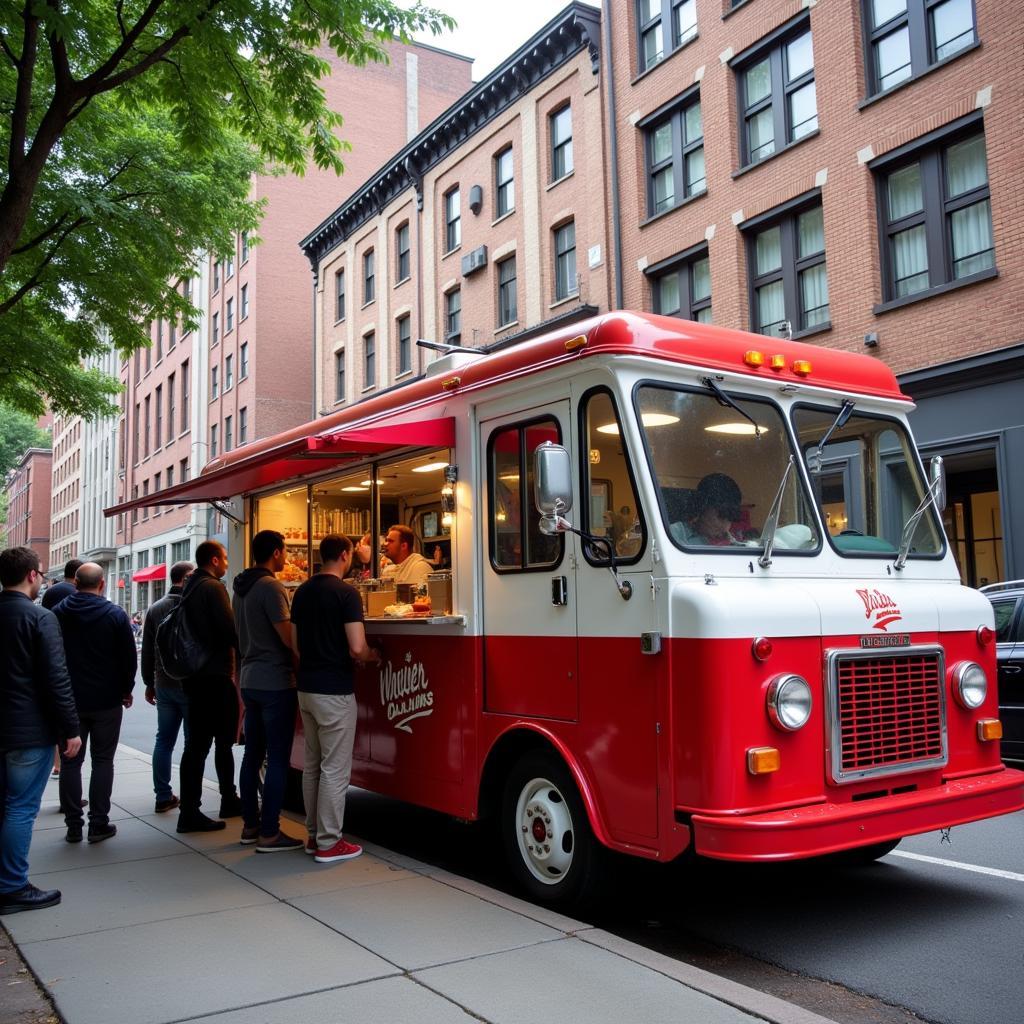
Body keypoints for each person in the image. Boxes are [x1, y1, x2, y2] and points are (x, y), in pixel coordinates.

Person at [0, 547, 81, 914]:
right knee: (20, 809)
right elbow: (56, 679)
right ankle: (12, 886)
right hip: (27, 730)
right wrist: (70, 729)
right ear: (32, 575)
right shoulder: (40, 618)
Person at [290, 535, 379, 863]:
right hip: (335, 690)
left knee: (312, 765)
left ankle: (314, 836)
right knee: (335, 768)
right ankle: (329, 842)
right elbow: (357, 647)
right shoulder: (347, 593)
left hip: (307, 689)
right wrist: (372, 656)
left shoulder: (301, 592)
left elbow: (296, 644)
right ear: (345, 555)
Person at [52, 563, 136, 844]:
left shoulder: (58, 614)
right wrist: (127, 689)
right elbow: (128, 657)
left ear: (75, 582)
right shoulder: (114, 614)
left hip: (69, 701)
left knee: (70, 761)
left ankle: (73, 825)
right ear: (102, 585)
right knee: (103, 760)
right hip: (106, 700)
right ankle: (99, 823)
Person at [232, 531, 302, 853]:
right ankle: (270, 831)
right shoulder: (271, 587)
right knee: (277, 758)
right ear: (276, 553)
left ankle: (250, 826)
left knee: (252, 755)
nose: (285, 555)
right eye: (284, 551)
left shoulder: (240, 589)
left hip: (249, 678)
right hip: (274, 680)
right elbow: (287, 636)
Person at [176, 540, 243, 833]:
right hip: (214, 675)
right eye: (225, 558)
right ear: (214, 560)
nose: (227, 562)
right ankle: (206, 806)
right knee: (218, 742)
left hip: (195, 676)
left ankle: (195, 807)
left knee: (197, 745)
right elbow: (230, 631)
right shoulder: (213, 588)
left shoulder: (190, 586)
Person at [141, 560, 195, 813]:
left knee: (164, 741)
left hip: (163, 682)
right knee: (192, 743)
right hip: (190, 684)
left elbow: (148, 652)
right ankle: (190, 797)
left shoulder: (155, 609)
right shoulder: (193, 605)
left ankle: (163, 795)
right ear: (185, 579)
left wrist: (148, 683)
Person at [677, 473, 743, 547]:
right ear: (702, 507)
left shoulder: (734, 543)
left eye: (730, 518)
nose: (725, 527)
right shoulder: (674, 535)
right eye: (721, 516)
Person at [381, 524, 432, 588]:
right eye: (386, 540)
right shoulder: (388, 569)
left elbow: (422, 597)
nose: (385, 544)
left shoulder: (420, 568)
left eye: (390, 541)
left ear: (404, 546)